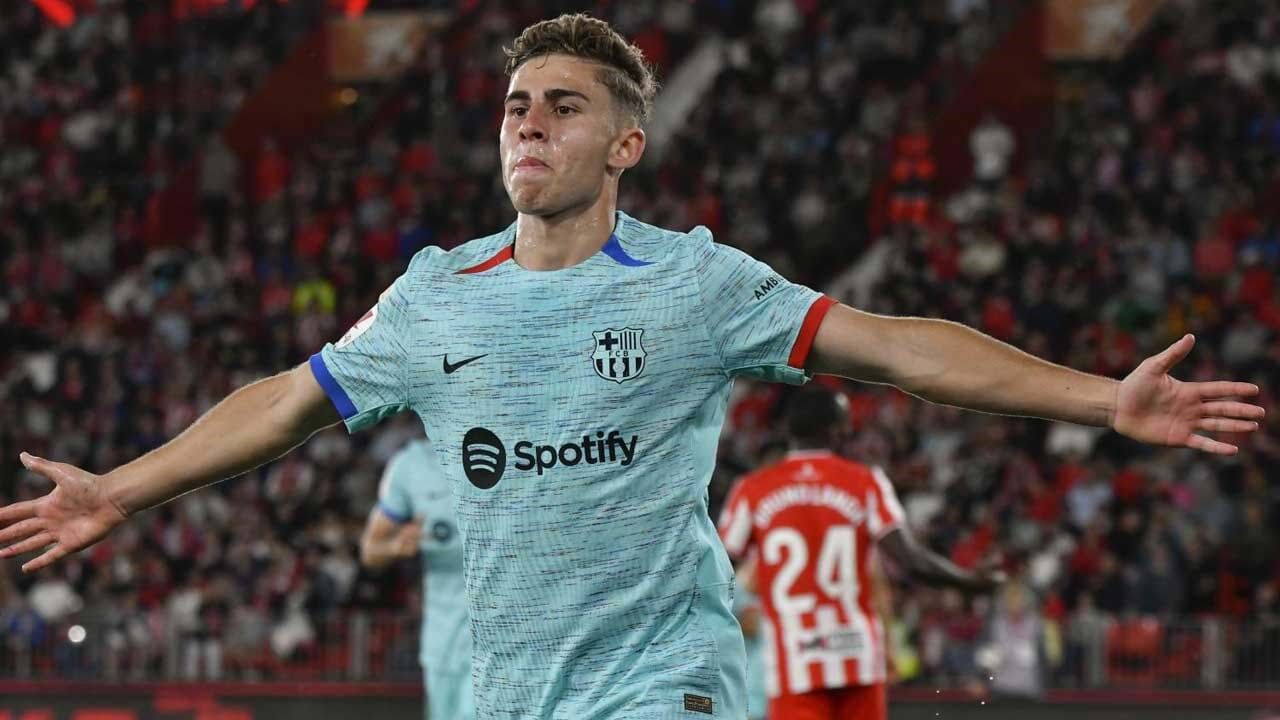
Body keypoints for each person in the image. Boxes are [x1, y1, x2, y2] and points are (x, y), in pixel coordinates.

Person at [0, 12, 1264, 719]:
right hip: (508, 692)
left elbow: (893, 350)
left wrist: (1099, 397)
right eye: (516, 105)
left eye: (563, 106)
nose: (529, 123)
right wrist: (120, 489)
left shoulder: (694, 284)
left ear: (625, 146)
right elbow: (285, 403)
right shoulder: (434, 294)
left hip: (666, 681)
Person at [719, 386, 1004, 719]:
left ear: (788, 430)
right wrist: (971, 581)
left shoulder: (751, 490)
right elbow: (913, 562)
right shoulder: (867, 482)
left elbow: (719, 569)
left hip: (794, 660)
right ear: (839, 430)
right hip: (857, 656)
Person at [360, 438, 472, 720]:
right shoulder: (411, 465)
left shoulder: (519, 448)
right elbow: (371, 550)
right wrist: (396, 545)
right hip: (444, 641)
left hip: (508, 637)